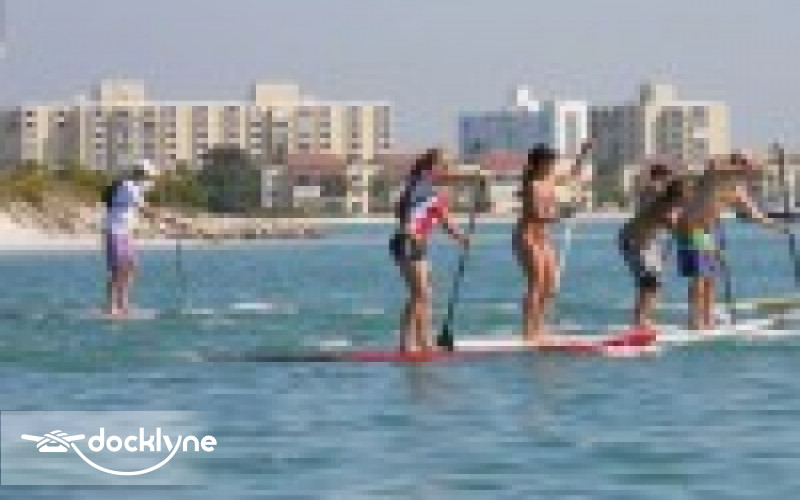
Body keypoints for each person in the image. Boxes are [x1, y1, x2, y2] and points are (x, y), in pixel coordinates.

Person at [675, 152, 784, 330]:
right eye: (742, 165)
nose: (746, 172)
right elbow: (713, 164)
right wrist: (752, 163)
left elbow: (754, 214)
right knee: (699, 277)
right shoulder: (715, 176)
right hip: (691, 227)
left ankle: (708, 319)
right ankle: (695, 321)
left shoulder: (738, 191)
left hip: (709, 231)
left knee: (711, 277)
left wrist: (776, 226)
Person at [390, 148, 469, 351]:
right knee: (422, 294)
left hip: (412, 244)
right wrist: (411, 232)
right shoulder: (421, 189)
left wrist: (461, 238)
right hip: (408, 242)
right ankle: (422, 341)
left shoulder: (425, 189)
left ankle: (409, 342)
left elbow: (444, 221)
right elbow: (406, 215)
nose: (448, 171)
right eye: (445, 167)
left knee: (420, 294)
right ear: (433, 168)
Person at [513, 142, 591, 342]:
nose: (553, 166)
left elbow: (573, 174)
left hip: (544, 238)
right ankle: (527, 332)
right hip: (526, 236)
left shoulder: (550, 178)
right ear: (540, 163)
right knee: (536, 281)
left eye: (554, 162)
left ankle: (540, 329)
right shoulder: (531, 185)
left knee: (550, 284)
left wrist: (583, 154)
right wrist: (564, 213)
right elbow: (536, 215)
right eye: (550, 162)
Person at [619, 165, 690, 331]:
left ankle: (644, 320)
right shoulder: (661, 206)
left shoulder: (667, 204)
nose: (684, 203)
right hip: (633, 242)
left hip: (647, 242)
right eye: (682, 200)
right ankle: (640, 323)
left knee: (655, 283)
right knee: (649, 282)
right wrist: (708, 245)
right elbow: (681, 231)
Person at [103, 159, 160, 318]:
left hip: (126, 233)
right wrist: (169, 220)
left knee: (131, 267)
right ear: (141, 174)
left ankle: (123, 304)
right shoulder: (128, 186)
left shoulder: (134, 188)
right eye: (149, 177)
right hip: (115, 231)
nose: (150, 181)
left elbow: (144, 209)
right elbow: (145, 210)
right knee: (118, 269)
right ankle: (111, 306)